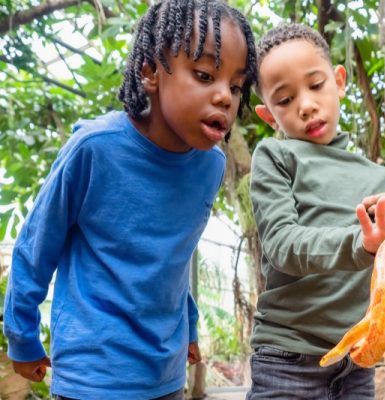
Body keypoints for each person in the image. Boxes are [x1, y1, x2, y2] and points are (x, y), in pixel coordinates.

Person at [3, 1, 257, 398]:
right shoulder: (93, 150)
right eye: (206, 74)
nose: (225, 96)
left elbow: (175, 257)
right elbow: (36, 246)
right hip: (91, 378)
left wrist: (188, 327)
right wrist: (22, 335)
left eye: (236, 85)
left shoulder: (210, 167)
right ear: (150, 72)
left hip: (166, 376)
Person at [246, 23, 385, 399]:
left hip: (356, 359)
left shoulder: (376, 175)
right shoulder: (275, 156)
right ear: (268, 115)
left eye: (316, 85)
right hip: (286, 358)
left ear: (339, 81)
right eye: (285, 100)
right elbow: (281, 243)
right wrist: (361, 244)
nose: (305, 105)